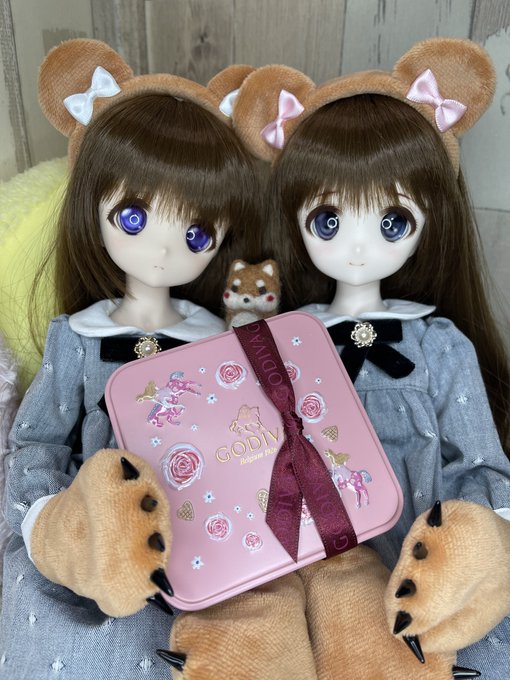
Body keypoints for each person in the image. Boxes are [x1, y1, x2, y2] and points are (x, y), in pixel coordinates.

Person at [228, 37, 510, 678]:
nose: (357, 248)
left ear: (431, 219)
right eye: (328, 221)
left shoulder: (438, 343)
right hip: (306, 559)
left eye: (391, 223)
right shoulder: (281, 340)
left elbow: (479, 463)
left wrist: (482, 541)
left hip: (421, 558)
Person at [0, 38, 261, 679]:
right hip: (89, 539)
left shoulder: (218, 342)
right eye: (136, 218)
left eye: (196, 233)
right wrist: (47, 521)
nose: (164, 253)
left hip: (202, 536)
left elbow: (244, 444)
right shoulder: (77, 337)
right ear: (93, 204)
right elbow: (36, 442)